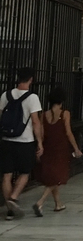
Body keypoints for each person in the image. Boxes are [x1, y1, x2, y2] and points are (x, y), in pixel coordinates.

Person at [0, 68, 44, 219]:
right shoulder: (32, 98)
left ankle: (10, 212)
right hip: (25, 141)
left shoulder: (5, 95)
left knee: (6, 175)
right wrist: (39, 142)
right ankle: (13, 198)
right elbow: (36, 122)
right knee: (25, 173)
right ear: (31, 79)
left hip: (6, 140)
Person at [32, 87, 82, 216]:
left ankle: (58, 203)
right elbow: (68, 132)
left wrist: (40, 146)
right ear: (62, 100)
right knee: (57, 177)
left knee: (53, 177)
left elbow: (42, 135)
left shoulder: (44, 115)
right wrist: (76, 148)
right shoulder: (64, 113)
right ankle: (40, 202)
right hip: (60, 149)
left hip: (48, 148)